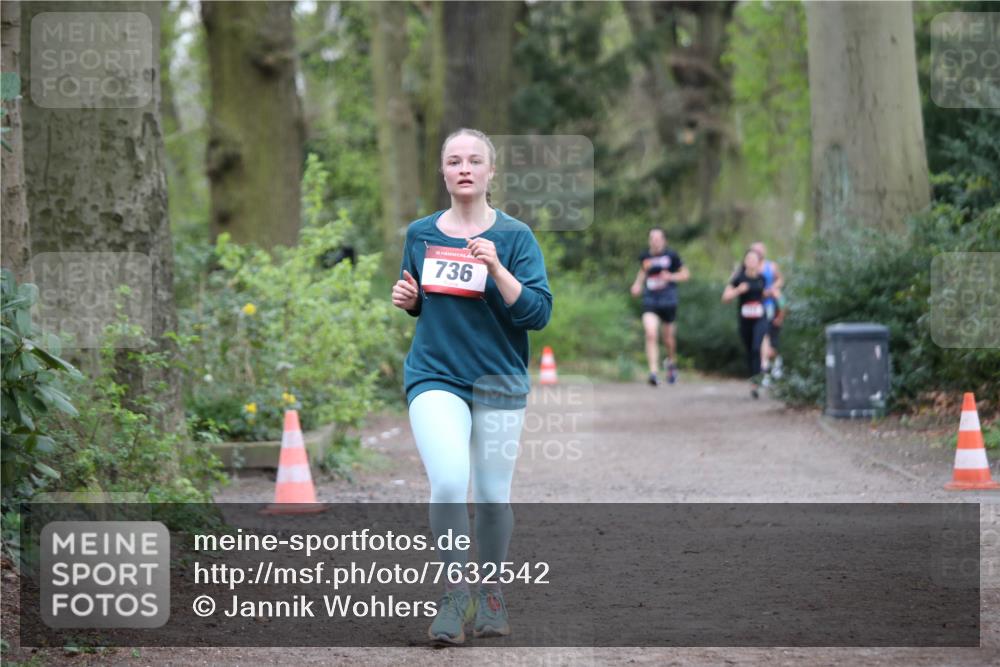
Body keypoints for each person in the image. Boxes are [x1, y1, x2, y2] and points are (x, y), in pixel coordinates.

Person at [391, 128, 552, 645]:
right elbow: (423, 298)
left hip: (499, 379)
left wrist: (496, 268)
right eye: (454, 160)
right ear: (443, 171)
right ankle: (455, 592)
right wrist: (410, 298)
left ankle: (492, 590)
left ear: (490, 172)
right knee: (448, 479)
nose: (464, 168)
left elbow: (537, 313)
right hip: (435, 375)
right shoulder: (420, 233)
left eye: (474, 160)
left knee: (490, 493)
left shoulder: (516, 237)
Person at [630, 227, 689, 386]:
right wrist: (637, 285)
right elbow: (643, 271)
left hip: (668, 300)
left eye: (658, 239)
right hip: (650, 300)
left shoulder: (672, 256)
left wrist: (671, 276)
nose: (655, 242)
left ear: (664, 240)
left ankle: (671, 363)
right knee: (650, 333)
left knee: (668, 339)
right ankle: (653, 372)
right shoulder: (645, 256)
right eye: (652, 239)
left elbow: (685, 274)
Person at [722, 248, 768, 399]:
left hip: (760, 319)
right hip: (745, 321)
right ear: (745, 262)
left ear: (759, 263)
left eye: (754, 260)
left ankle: (756, 382)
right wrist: (738, 291)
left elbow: (766, 294)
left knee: (756, 348)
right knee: (750, 351)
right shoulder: (738, 278)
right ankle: (754, 376)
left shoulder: (762, 278)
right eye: (748, 259)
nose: (751, 262)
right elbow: (725, 298)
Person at [749, 242, 785, 383]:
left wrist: (771, 289)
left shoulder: (771, 266)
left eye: (759, 250)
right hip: (754, 309)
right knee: (760, 341)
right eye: (754, 250)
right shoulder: (749, 268)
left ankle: (771, 366)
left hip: (769, 306)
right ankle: (765, 370)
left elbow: (780, 281)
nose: (757, 252)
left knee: (767, 340)